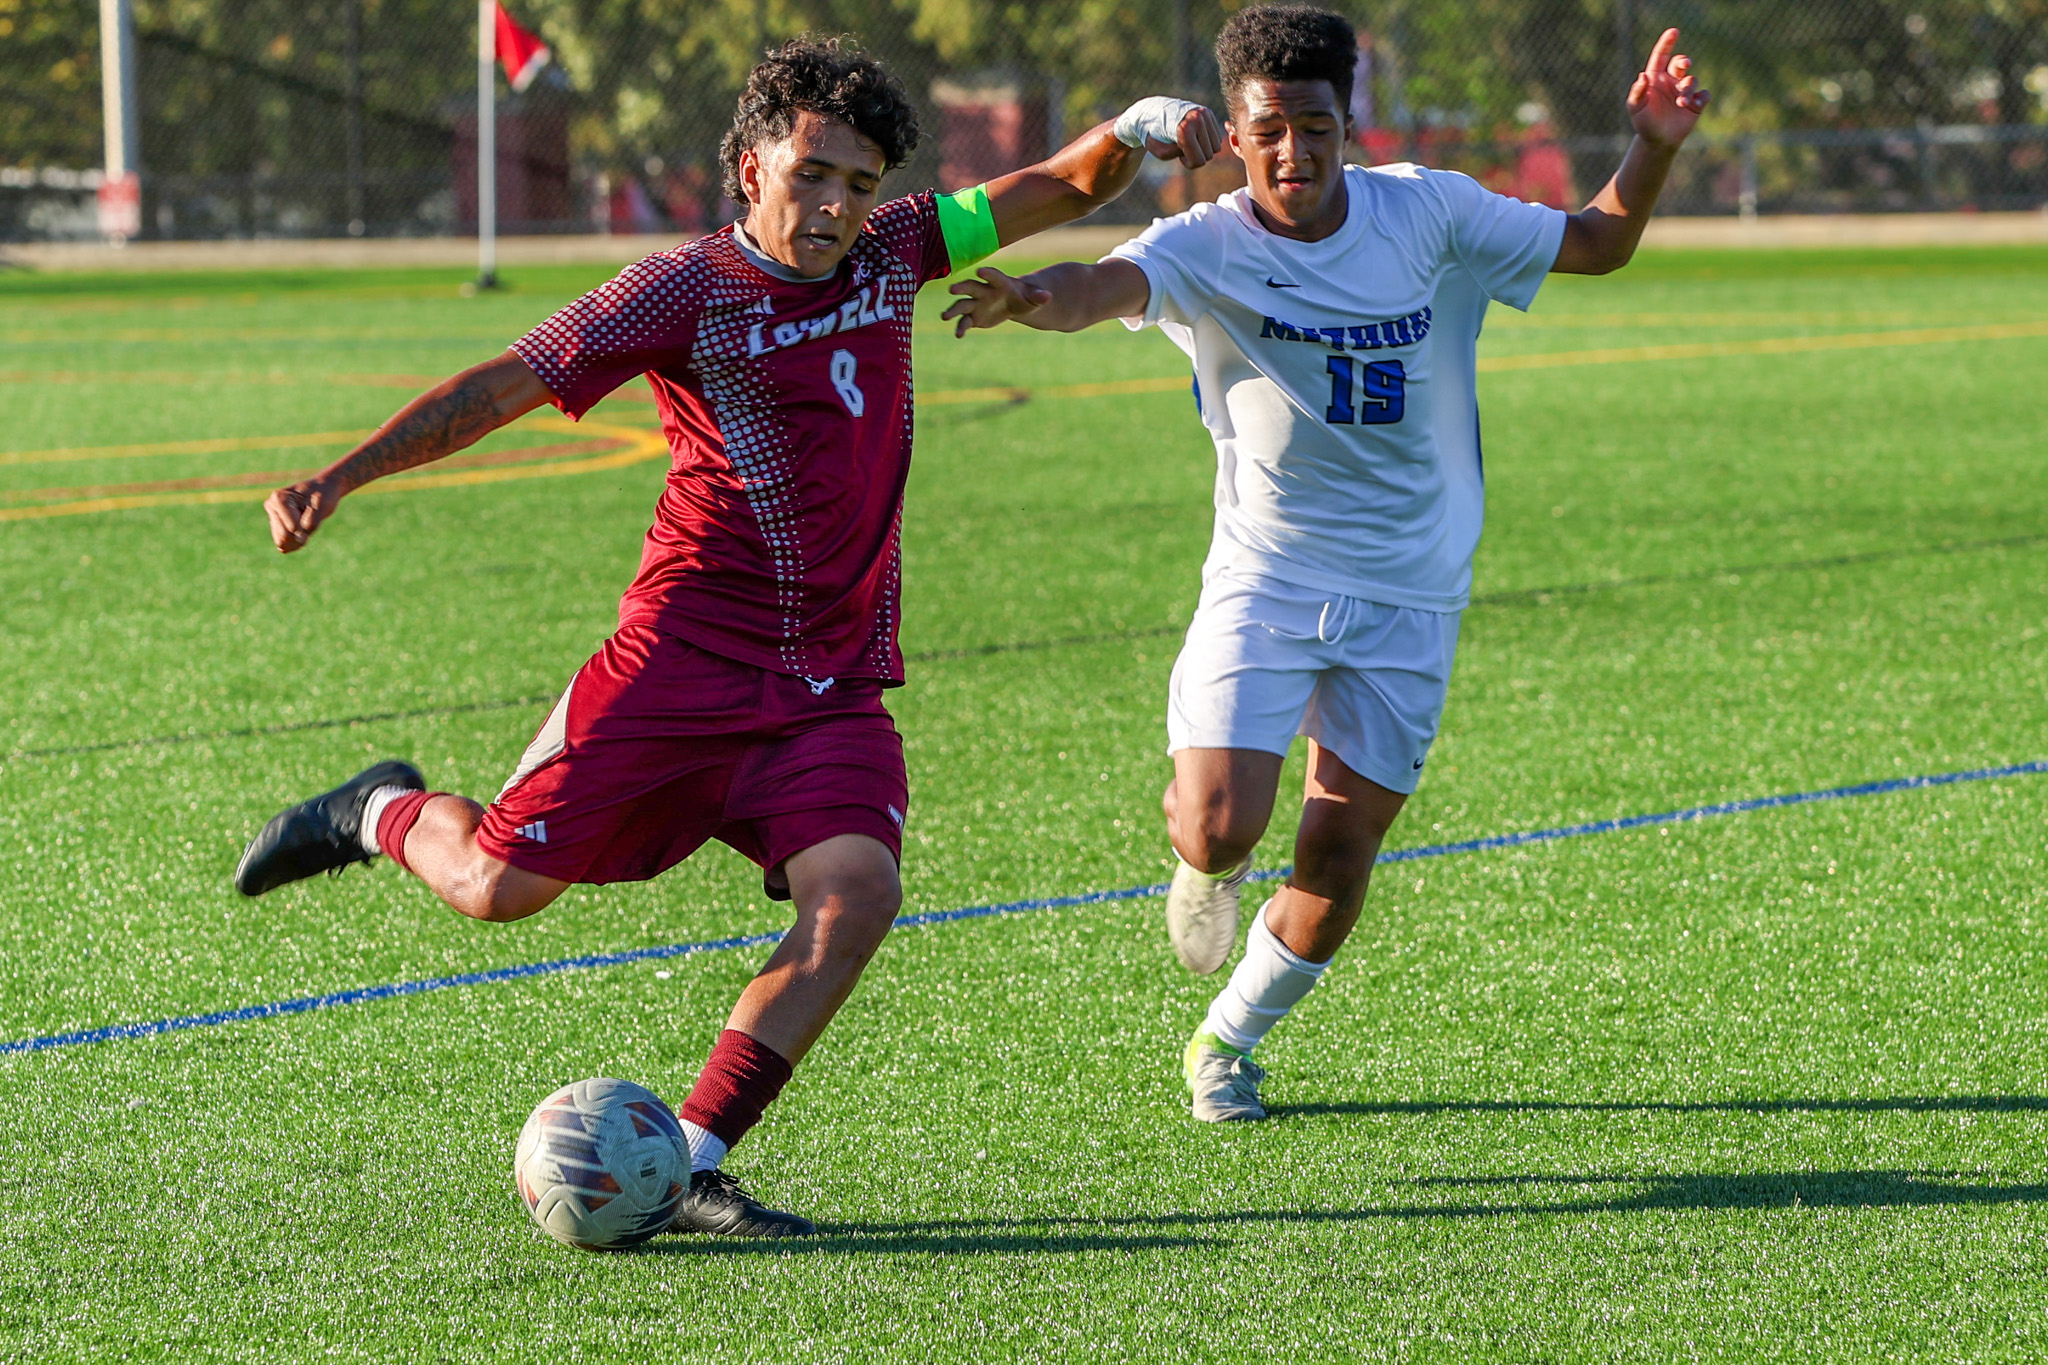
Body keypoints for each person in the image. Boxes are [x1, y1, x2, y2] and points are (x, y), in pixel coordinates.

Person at [235, 36, 1222, 1230]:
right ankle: (379, 810)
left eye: (858, 184)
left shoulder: (895, 251)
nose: (835, 206)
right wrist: (342, 475)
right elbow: (503, 385)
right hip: (680, 661)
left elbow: (1062, 184)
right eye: (812, 174)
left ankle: (693, 1158)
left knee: (855, 893)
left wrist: (1141, 124)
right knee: (495, 886)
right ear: (753, 166)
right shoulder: (679, 292)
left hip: (827, 683)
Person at [941, 4, 1708, 1121]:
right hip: (1269, 573)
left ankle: (1226, 1040)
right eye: (1268, 131)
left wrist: (1650, 146)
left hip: (1413, 585)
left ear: (1347, 125)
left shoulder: (1428, 210)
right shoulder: (1206, 243)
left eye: (1314, 128)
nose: (1292, 152)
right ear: (1236, 134)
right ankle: (1204, 864)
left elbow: (1598, 242)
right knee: (1217, 826)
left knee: (1339, 852)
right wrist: (1028, 297)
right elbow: (1100, 286)